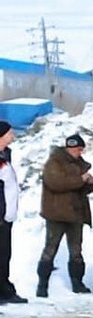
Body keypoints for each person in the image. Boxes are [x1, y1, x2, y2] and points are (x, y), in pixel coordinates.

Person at [36, 133, 93, 298]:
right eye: (78, 149)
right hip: (57, 214)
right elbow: (56, 183)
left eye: (81, 149)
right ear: (70, 148)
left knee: (76, 251)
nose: (80, 152)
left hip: (76, 213)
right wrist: (81, 179)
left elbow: (82, 189)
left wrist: (90, 183)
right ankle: (42, 285)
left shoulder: (80, 164)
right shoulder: (54, 162)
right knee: (50, 249)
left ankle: (77, 283)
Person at [0, 120, 27, 305]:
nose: (13, 136)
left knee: (4, 254)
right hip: (0, 216)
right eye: (9, 133)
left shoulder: (6, 154)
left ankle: (4, 289)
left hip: (7, 217)